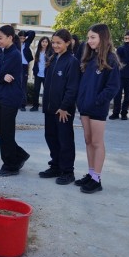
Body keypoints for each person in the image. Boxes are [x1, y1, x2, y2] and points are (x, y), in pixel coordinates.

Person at [75, 24, 121, 194]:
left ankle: (97, 179)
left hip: (97, 109)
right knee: (88, 141)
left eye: (92, 37)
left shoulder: (111, 60)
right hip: (85, 107)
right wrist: (81, 101)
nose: (89, 41)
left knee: (96, 142)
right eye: (88, 38)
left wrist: (96, 101)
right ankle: (91, 173)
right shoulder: (89, 58)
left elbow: (112, 87)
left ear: (103, 38)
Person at [40, 29, 81, 184]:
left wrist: (64, 107)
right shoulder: (53, 58)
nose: (55, 45)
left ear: (68, 43)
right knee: (51, 137)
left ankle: (67, 171)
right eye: (54, 42)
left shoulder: (72, 61)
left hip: (63, 110)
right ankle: (56, 165)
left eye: (59, 42)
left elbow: (72, 88)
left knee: (65, 140)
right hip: (50, 108)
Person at [0, 25, 30, 176]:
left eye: (0, 38)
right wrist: (1, 77)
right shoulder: (3, 53)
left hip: (11, 97)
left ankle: (10, 165)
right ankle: (19, 155)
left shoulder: (14, 54)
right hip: (1, 96)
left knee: (6, 132)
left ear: (10, 38)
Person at [110, 31, 129, 120]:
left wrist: (128, 59)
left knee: (128, 96)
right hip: (120, 74)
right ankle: (115, 113)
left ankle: (124, 113)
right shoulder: (120, 48)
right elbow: (120, 60)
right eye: (126, 38)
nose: (127, 40)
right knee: (117, 95)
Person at [30, 36, 52, 111]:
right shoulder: (38, 50)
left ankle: (46, 106)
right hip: (38, 74)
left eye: (46, 42)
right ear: (40, 42)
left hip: (46, 74)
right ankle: (35, 106)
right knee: (36, 90)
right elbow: (36, 62)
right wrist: (34, 71)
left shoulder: (50, 52)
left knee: (46, 91)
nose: (44, 43)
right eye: (43, 41)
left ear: (48, 43)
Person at [18, 30, 36, 111]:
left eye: (23, 38)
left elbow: (32, 33)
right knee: (16, 84)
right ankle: (17, 103)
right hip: (16, 66)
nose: (22, 39)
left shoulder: (27, 43)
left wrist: (25, 32)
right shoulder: (15, 43)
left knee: (23, 85)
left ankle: (23, 104)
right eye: (20, 38)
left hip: (24, 66)